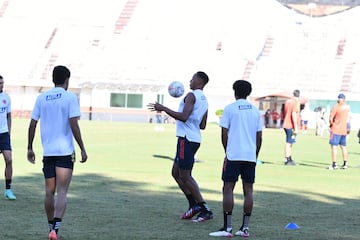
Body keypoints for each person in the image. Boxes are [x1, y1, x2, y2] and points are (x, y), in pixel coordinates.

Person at [27, 65, 88, 240]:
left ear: (53, 79)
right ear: (67, 80)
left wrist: (29, 147)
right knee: (62, 192)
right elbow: (74, 124)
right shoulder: (70, 97)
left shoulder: (42, 97)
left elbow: (32, 124)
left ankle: (50, 227)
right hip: (65, 152)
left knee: (48, 192)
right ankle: (56, 230)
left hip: (48, 152)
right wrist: (82, 148)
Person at [147, 71, 213, 222]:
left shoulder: (191, 96)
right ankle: (193, 205)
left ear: (200, 82)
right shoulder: (205, 100)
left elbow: (184, 117)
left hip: (186, 139)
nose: (190, 80)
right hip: (195, 139)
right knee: (176, 173)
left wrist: (163, 108)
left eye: (193, 78)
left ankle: (205, 208)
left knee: (185, 175)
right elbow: (202, 125)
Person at [209, 80, 262, 238]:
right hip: (250, 156)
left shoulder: (230, 108)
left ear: (235, 91)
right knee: (248, 190)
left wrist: (227, 150)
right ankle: (245, 229)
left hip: (234, 155)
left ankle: (228, 227)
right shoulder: (255, 110)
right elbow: (259, 136)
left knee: (228, 188)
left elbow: (224, 133)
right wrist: (255, 154)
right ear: (248, 92)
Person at [0, 75, 16, 200]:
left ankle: (8, 190)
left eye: (2, 83)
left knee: (9, 159)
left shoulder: (6, 97)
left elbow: (9, 116)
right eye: (0, 83)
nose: (2, 85)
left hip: (4, 134)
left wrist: (9, 131)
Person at [328, 93, 350, 170]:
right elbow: (348, 119)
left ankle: (334, 164)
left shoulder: (336, 107)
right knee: (343, 147)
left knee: (334, 146)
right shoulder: (347, 108)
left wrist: (331, 124)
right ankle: (345, 163)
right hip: (343, 130)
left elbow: (331, 118)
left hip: (336, 129)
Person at [283, 89, 300, 166]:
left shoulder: (288, 101)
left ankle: (289, 157)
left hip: (286, 123)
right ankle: (287, 158)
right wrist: (296, 126)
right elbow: (293, 113)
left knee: (289, 141)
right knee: (289, 142)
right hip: (290, 125)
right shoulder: (295, 102)